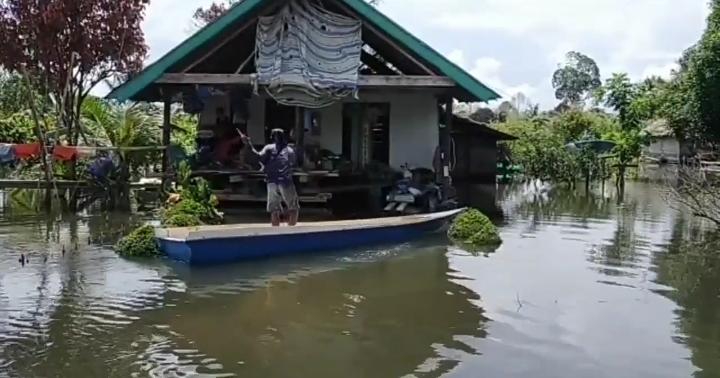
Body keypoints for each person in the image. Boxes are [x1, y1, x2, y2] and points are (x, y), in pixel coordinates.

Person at [241, 128, 299, 226]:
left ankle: (275, 232)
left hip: (272, 182)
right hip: (286, 181)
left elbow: (257, 157)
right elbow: (292, 164)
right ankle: (292, 232)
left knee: (274, 209)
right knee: (293, 208)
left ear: (272, 137)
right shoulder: (290, 150)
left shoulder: (268, 148)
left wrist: (248, 144)